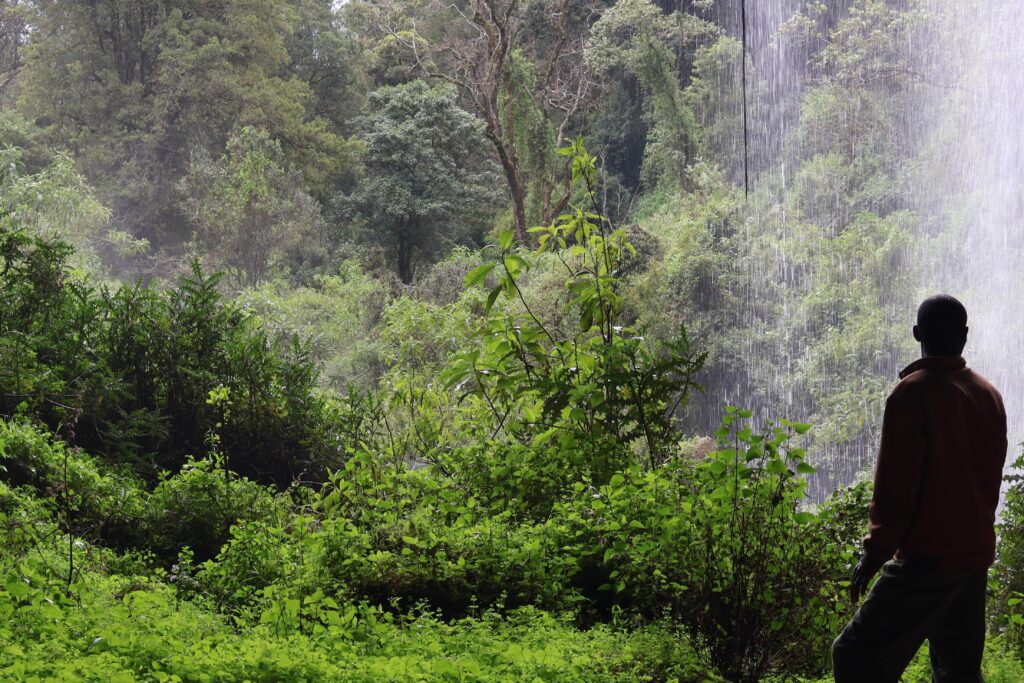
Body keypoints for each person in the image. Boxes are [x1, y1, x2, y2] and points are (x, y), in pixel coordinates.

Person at [832, 294, 1007, 682]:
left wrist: (876, 552)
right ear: (964, 336)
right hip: (974, 556)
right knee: (958, 672)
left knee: (853, 655)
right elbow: (988, 480)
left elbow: (896, 488)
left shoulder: (912, 394)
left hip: (929, 559)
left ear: (917, 334)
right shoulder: (988, 394)